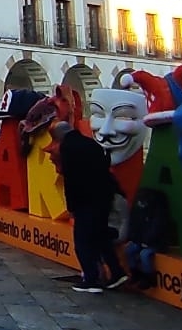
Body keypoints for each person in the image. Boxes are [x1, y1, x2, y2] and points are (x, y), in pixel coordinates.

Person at [55, 121, 129, 293]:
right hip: (103, 198)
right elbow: (105, 169)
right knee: (101, 237)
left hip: (84, 201)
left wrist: (71, 205)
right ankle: (117, 272)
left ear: (60, 135)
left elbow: (71, 179)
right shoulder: (91, 143)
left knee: (82, 242)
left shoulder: (68, 148)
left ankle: (91, 279)